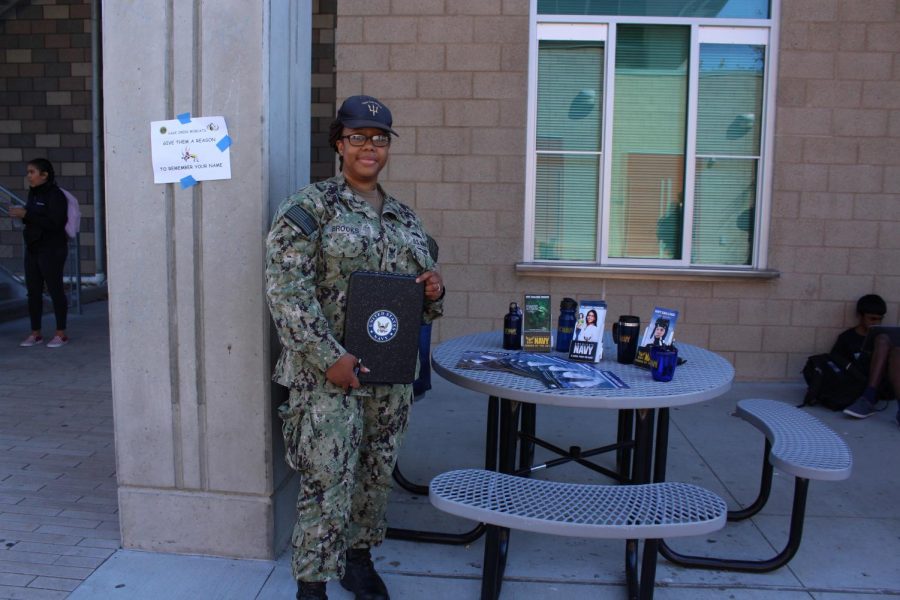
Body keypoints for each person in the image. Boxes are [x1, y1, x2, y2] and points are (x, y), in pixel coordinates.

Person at [265, 95, 445, 600]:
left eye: (380, 138)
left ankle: (357, 561)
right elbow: (286, 292)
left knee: (374, 472)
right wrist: (330, 358)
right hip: (327, 378)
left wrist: (433, 290)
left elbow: (416, 304)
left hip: (388, 376)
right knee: (326, 480)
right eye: (359, 137)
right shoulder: (310, 208)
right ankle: (313, 585)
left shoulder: (406, 220)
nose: (370, 147)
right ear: (339, 144)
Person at [7, 158, 69, 348]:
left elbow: (55, 223)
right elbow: (34, 219)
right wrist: (22, 215)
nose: (29, 176)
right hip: (33, 248)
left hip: (52, 249)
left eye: (32, 172)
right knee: (33, 292)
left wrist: (27, 215)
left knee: (55, 289)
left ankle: (61, 333)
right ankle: (36, 333)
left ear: (44, 175)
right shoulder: (33, 194)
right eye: (28, 172)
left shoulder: (55, 195)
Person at [836, 294, 900, 423]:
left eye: (879, 319)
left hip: (886, 387)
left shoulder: (888, 339)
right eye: (872, 319)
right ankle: (868, 397)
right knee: (882, 340)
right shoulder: (847, 338)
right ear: (860, 316)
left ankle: (869, 398)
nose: (875, 323)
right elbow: (837, 363)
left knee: (893, 347)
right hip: (859, 383)